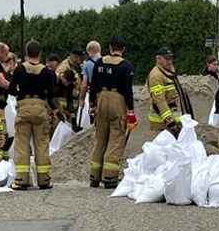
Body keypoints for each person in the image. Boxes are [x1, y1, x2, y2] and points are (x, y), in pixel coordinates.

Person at [8, 40, 58, 190]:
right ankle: (44, 180)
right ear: (40, 53)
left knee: (22, 143)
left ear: (26, 52)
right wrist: (54, 109)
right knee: (42, 144)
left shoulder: (20, 69)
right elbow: (51, 94)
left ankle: (21, 180)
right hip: (40, 107)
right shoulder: (47, 71)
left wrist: (20, 95)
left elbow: (11, 89)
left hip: (23, 107)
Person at [89, 36, 135, 189]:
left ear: (109, 47)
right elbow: (128, 90)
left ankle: (94, 175)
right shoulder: (126, 65)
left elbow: (93, 83)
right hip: (118, 100)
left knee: (100, 138)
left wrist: (92, 104)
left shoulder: (99, 63)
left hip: (101, 99)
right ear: (123, 49)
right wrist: (131, 109)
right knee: (116, 139)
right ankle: (109, 177)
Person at [146, 46, 194, 135]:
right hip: (163, 124)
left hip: (174, 121)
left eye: (171, 58)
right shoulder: (156, 76)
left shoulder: (168, 71)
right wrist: (170, 122)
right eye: (166, 59)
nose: (169, 61)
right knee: (165, 148)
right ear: (158, 59)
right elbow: (159, 101)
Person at [56, 48, 85, 129]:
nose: (81, 60)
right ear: (74, 57)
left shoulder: (76, 67)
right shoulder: (64, 67)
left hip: (71, 101)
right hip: (63, 102)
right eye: (80, 58)